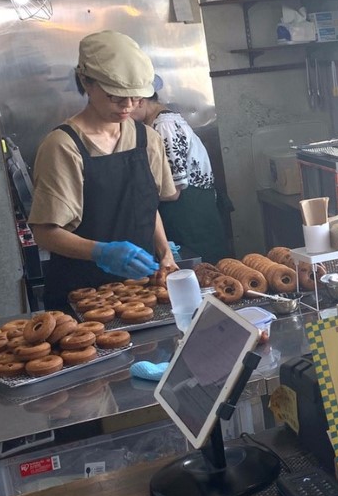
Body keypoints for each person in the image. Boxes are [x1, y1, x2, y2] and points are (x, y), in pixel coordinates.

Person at [28, 31, 180, 313]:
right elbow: (45, 232)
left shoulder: (147, 139)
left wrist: (165, 253)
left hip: (141, 294)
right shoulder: (63, 146)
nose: (127, 107)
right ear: (86, 81)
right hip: (81, 298)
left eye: (135, 98)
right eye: (115, 97)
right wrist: (101, 252)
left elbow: (148, 206)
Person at [131, 86, 233, 263]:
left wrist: (136, 198)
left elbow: (173, 189)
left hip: (190, 215)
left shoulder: (165, 126)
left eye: (127, 104)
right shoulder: (156, 122)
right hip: (185, 213)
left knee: (207, 275)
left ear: (140, 101)